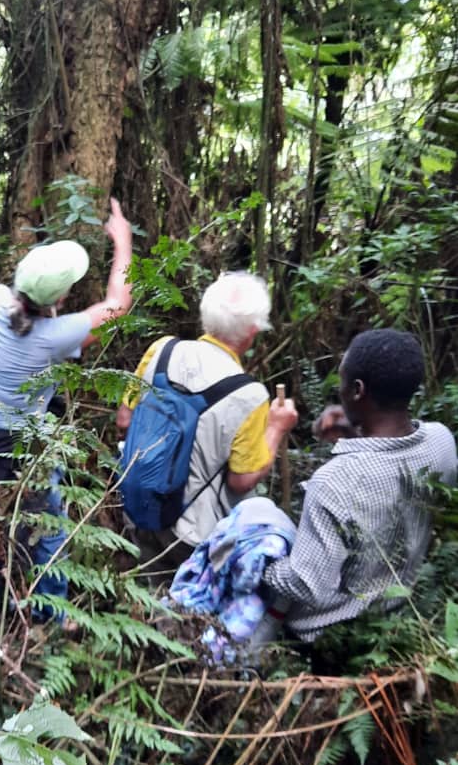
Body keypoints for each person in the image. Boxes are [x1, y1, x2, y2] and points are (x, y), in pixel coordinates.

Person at [0, 197, 133, 615]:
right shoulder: (53, 337)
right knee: (46, 526)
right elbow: (118, 305)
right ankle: (47, 616)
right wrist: (123, 241)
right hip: (13, 444)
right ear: (61, 296)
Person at [262, 329, 457, 642]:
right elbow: (390, 466)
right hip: (395, 621)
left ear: (357, 390)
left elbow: (305, 584)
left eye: (341, 381)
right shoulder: (441, 441)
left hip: (327, 641)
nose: (338, 391)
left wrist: (258, 560)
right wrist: (356, 430)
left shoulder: (333, 482)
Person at [116, 271, 298, 576]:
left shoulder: (162, 350)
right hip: (192, 534)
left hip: (138, 506)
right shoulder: (250, 395)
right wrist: (277, 428)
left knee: (147, 588)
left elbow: (125, 419)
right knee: (183, 600)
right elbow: (241, 480)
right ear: (253, 331)